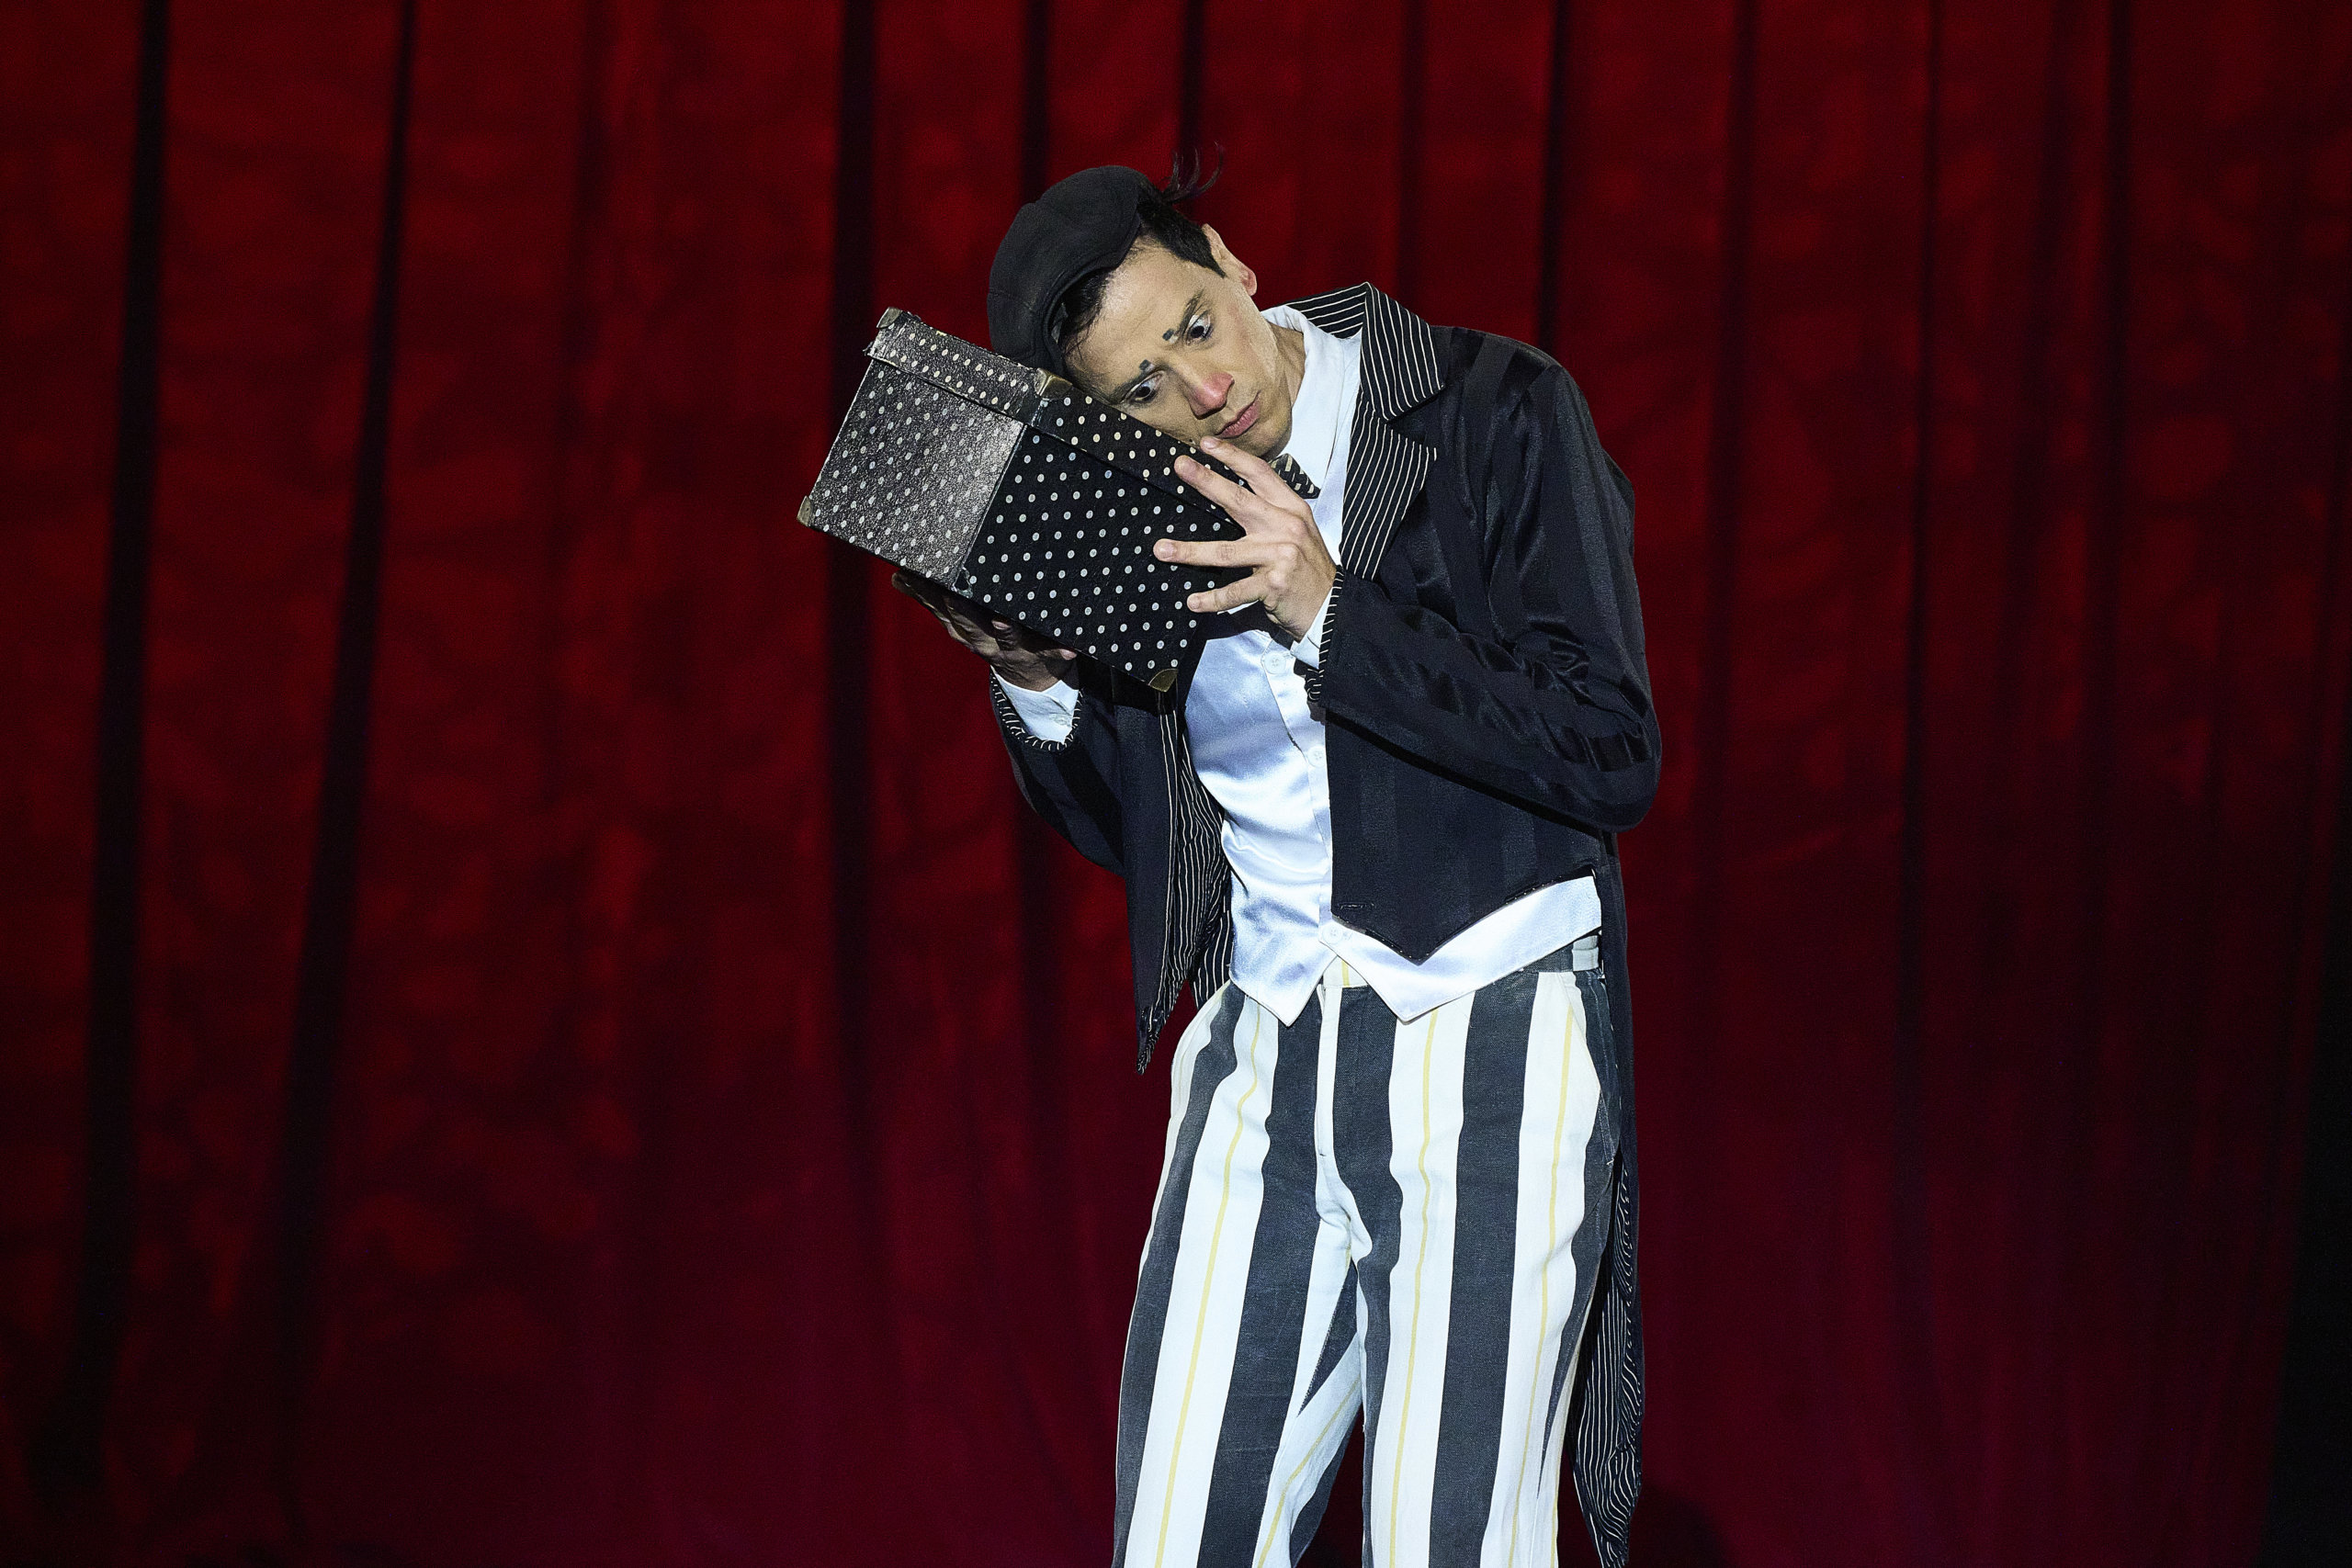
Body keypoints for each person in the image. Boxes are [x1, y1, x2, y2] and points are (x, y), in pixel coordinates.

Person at [894, 163, 1660, 1568]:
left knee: (1450, 1546)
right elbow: (1137, 830)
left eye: (1195, 324)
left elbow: (1610, 751)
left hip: (1489, 1026)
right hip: (1263, 1037)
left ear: (1234, 262)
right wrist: (1038, 680)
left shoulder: (1490, 406)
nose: (1202, 389)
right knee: (1177, 1540)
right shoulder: (1134, 507)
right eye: (1141, 387)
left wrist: (1328, 607)